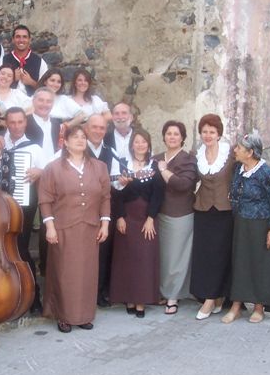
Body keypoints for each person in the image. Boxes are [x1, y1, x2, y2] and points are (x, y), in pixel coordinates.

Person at [38, 125, 111, 332]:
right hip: (63, 228)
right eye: (75, 137)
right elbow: (45, 200)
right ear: (66, 142)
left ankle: (84, 315)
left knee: (87, 273)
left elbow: (105, 197)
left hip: (90, 228)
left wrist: (105, 224)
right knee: (65, 273)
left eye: (83, 137)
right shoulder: (53, 168)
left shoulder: (99, 167)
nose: (80, 140)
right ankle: (63, 315)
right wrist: (50, 227)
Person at [221, 132, 270, 324]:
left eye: (239, 148)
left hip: (261, 225)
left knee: (260, 265)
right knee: (240, 264)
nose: (235, 150)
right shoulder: (238, 169)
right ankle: (236, 306)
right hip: (241, 224)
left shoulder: (267, 173)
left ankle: (259, 307)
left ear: (250, 152)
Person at [0, 107, 47, 313]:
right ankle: (6, 294)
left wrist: (40, 171)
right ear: (7, 123)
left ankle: (32, 294)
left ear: (25, 123)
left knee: (20, 248)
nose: (16, 126)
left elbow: (49, 172)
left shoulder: (34, 148)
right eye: (12, 122)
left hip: (23, 206)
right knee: (1, 248)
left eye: (20, 122)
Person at [110, 129, 164, 318]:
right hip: (127, 216)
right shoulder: (122, 164)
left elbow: (158, 194)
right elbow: (116, 194)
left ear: (148, 145)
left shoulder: (154, 165)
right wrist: (119, 216)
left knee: (144, 259)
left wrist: (151, 218)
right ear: (131, 145)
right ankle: (129, 298)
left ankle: (141, 300)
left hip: (146, 218)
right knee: (127, 259)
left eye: (144, 142)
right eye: (137, 142)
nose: (140, 145)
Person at [190, 114, 235, 320]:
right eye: (204, 131)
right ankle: (213, 297)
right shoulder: (196, 154)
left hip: (224, 211)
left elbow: (243, 173)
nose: (207, 135)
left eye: (212, 132)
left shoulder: (230, 153)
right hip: (202, 210)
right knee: (204, 255)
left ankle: (212, 298)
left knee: (219, 255)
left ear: (219, 134)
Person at [154, 121, 199, 315]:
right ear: (164, 137)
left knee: (177, 257)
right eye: (168, 133)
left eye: (176, 134)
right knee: (163, 257)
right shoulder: (156, 158)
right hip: (159, 213)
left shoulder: (188, 159)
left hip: (180, 213)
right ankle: (163, 291)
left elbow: (182, 185)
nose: (172, 137)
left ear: (182, 138)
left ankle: (173, 296)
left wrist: (164, 170)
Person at [84, 114, 120, 307]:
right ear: (86, 129)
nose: (98, 131)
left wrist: (121, 182)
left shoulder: (110, 152)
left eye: (102, 128)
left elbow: (116, 182)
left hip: (103, 208)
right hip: (80, 208)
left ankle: (99, 292)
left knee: (103, 250)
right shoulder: (77, 147)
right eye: (94, 127)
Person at [25, 87, 62, 274]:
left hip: (53, 179)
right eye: (41, 100)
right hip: (30, 180)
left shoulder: (57, 125)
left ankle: (47, 268)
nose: (45, 104)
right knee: (28, 224)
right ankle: (27, 270)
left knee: (50, 223)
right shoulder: (25, 122)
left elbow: (61, 151)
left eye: (49, 101)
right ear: (33, 101)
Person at [2, 25, 48, 96]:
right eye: (18, 37)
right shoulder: (3, 60)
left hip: (32, 101)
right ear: (13, 39)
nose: (21, 40)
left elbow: (46, 89)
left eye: (25, 37)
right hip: (8, 100)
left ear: (29, 40)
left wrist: (31, 82)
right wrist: (12, 79)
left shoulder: (40, 62)